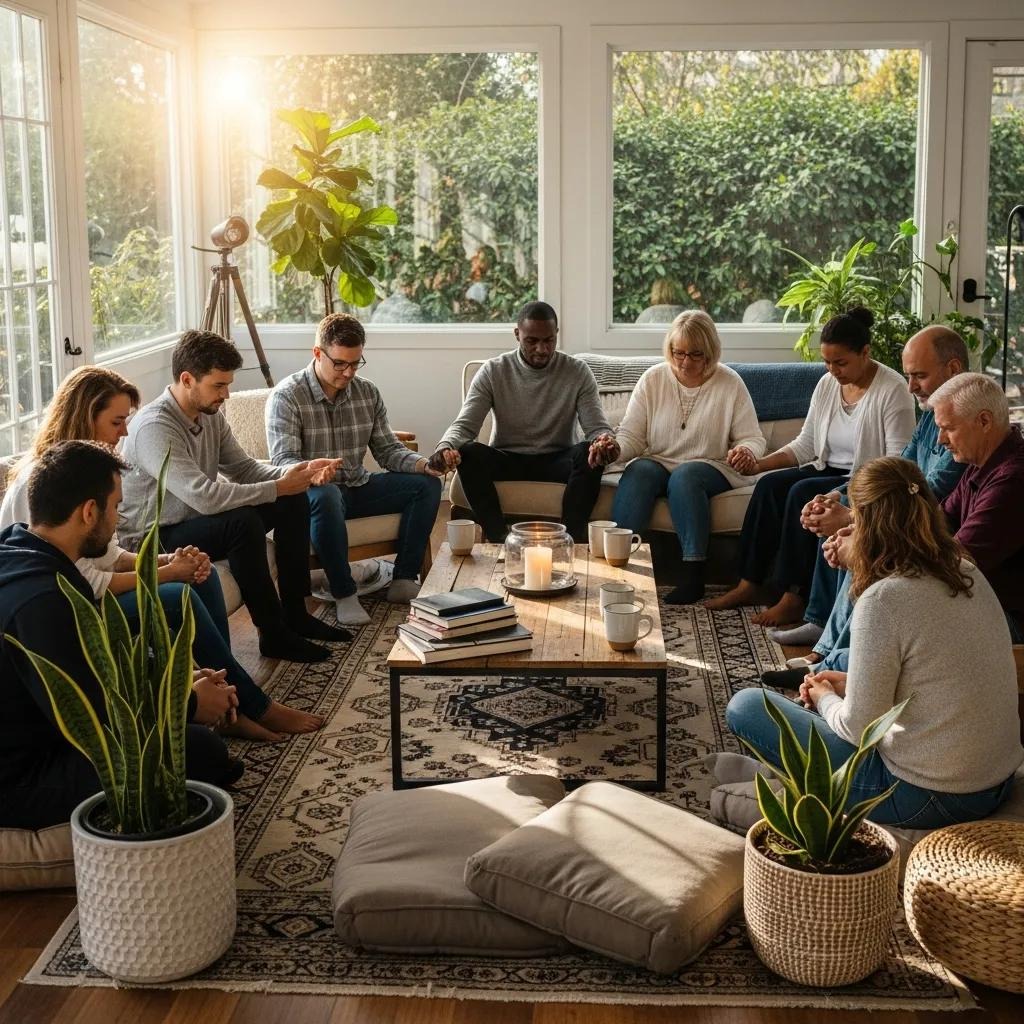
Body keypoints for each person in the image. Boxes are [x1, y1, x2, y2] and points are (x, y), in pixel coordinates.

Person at [0, 366, 318, 741]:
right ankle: (255, 705)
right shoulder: (43, 481)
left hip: (93, 589)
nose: (124, 432)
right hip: (67, 610)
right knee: (176, 595)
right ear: (87, 417)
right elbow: (77, 580)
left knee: (205, 575)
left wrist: (166, 561)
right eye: (117, 421)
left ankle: (227, 698)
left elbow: (108, 555)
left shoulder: (94, 473)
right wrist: (166, 574)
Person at [726, 457, 1024, 829]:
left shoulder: (885, 599)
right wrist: (848, 685)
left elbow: (857, 728)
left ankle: (784, 793)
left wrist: (824, 698)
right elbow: (932, 682)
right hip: (994, 780)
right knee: (846, 667)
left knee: (746, 706)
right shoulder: (963, 567)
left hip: (930, 795)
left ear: (864, 522)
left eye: (855, 518)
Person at [0, 442, 242, 830]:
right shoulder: (43, 599)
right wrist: (189, 703)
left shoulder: (21, 551)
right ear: (89, 512)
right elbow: (91, 718)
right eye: (115, 506)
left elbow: (98, 670)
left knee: (190, 740)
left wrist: (179, 684)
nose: (118, 519)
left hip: (36, 742)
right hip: (22, 780)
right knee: (201, 749)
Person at [118, 330, 351, 664]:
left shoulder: (209, 414)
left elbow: (242, 469)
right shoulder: (154, 427)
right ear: (187, 379)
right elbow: (205, 497)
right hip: (154, 538)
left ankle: (296, 614)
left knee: (292, 500)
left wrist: (298, 473)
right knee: (242, 523)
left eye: (228, 384)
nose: (226, 394)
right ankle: (273, 633)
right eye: (218, 385)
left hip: (194, 521)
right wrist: (277, 486)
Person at [766, 325, 969, 668]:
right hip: (905, 512)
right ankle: (821, 628)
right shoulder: (933, 414)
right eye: (909, 375)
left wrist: (850, 517)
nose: (911, 386)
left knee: (862, 532)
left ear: (952, 370)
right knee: (835, 506)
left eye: (919, 375)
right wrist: (835, 494)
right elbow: (898, 467)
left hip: (927, 527)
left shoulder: (958, 424)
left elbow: (928, 492)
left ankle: (828, 654)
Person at [705, 307, 915, 624]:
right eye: (827, 362)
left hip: (865, 478)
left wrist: (844, 490)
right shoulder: (827, 384)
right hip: (826, 468)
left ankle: (794, 596)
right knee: (769, 486)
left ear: (865, 352)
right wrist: (759, 465)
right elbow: (806, 444)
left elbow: (896, 463)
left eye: (841, 362)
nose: (833, 370)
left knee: (801, 492)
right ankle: (749, 583)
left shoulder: (893, 389)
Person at [266, 313, 442, 627]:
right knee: (327, 494)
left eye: (356, 363)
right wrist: (310, 472)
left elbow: (388, 451)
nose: (348, 372)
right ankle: (344, 593)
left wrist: (424, 464)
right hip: (310, 499)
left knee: (426, 485)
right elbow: (282, 463)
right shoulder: (287, 396)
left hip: (357, 487)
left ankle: (402, 579)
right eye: (340, 364)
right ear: (317, 353)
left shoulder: (368, 393)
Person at [428, 301, 620, 542]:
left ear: (556, 335)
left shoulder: (577, 372)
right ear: (517, 334)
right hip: (508, 458)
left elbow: (596, 428)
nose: (541, 349)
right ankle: (499, 538)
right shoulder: (493, 371)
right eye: (532, 341)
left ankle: (571, 540)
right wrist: (445, 447)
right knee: (468, 452)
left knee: (587, 453)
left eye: (549, 340)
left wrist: (605, 442)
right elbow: (465, 425)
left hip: (558, 460)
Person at [609, 310, 766, 604]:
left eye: (695, 354)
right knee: (639, 470)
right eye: (677, 353)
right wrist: (616, 449)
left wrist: (745, 451)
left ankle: (693, 574)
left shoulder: (729, 383)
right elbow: (632, 436)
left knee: (685, 477)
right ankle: (617, 567)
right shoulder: (653, 379)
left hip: (710, 465)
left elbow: (753, 438)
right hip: (659, 459)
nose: (684, 362)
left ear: (710, 352)